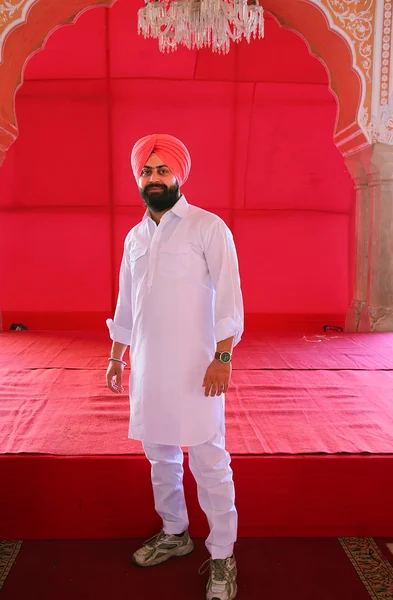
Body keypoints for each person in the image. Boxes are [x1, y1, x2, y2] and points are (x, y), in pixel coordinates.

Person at [106, 133, 244, 600]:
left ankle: (223, 554)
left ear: (180, 175)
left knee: (209, 460)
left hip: (197, 369)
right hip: (148, 368)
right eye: (146, 171)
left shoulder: (208, 227)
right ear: (138, 178)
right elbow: (127, 302)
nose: (154, 178)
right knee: (160, 457)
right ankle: (175, 532)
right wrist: (116, 355)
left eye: (163, 170)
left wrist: (222, 358)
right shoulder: (135, 236)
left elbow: (229, 298)